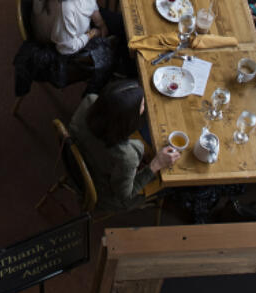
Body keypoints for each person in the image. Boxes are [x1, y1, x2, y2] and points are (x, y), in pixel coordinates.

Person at [68, 79, 180, 213]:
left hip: (75, 163)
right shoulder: (126, 157)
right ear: (128, 121)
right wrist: (156, 164)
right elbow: (125, 195)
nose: (144, 107)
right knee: (172, 183)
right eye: (142, 105)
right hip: (103, 194)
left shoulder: (90, 101)